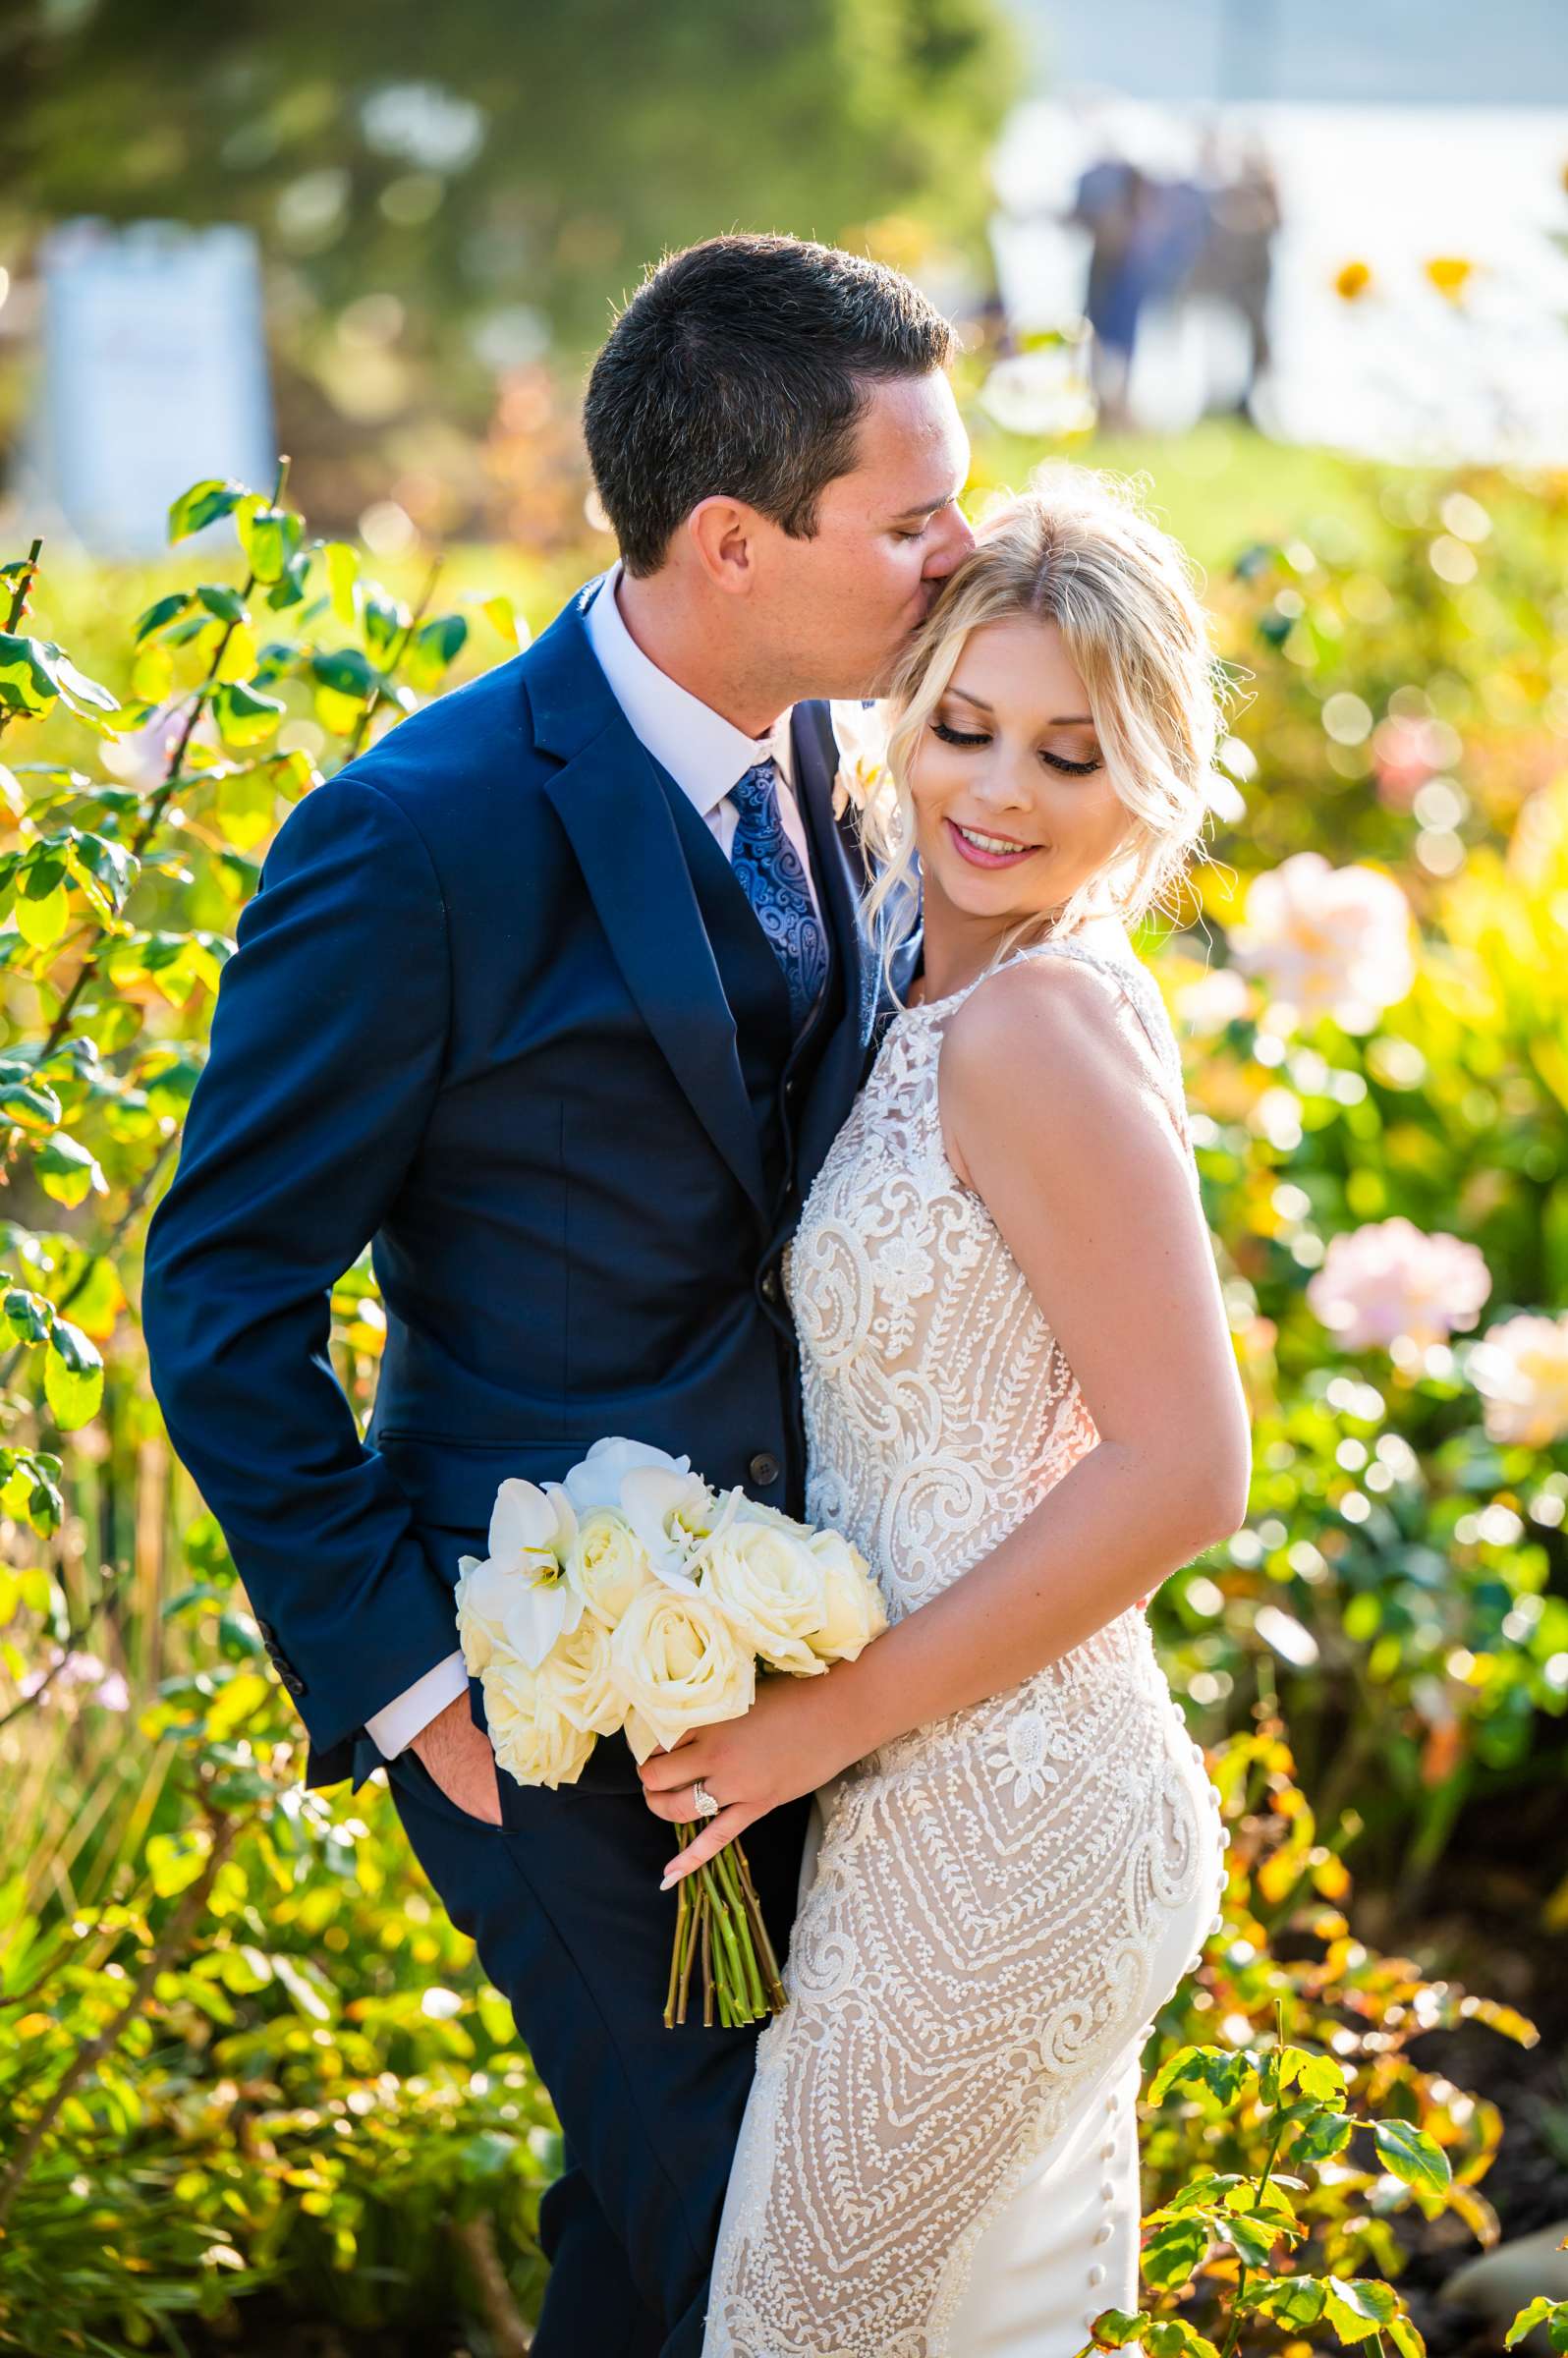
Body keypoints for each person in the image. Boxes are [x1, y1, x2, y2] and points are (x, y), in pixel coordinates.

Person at [140, 233, 974, 2358]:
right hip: (543, 1678)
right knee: (754, 2226)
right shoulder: (409, 842)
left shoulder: (814, 754)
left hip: (798, 1659)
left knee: (675, 2217)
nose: (959, 554)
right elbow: (225, 1290)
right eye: (911, 521)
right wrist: (419, 1686)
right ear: (730, 539)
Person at [636, 468, 1252, 2356]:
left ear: (1150, 781)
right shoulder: (931, 983)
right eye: (965, 728)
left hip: (1008, 1812)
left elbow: (1186, 1470)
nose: (996, 793)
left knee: (797, 2335)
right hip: (944, 1793)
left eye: (1071, 757)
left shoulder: (1036, 1031)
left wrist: (817, 1726)